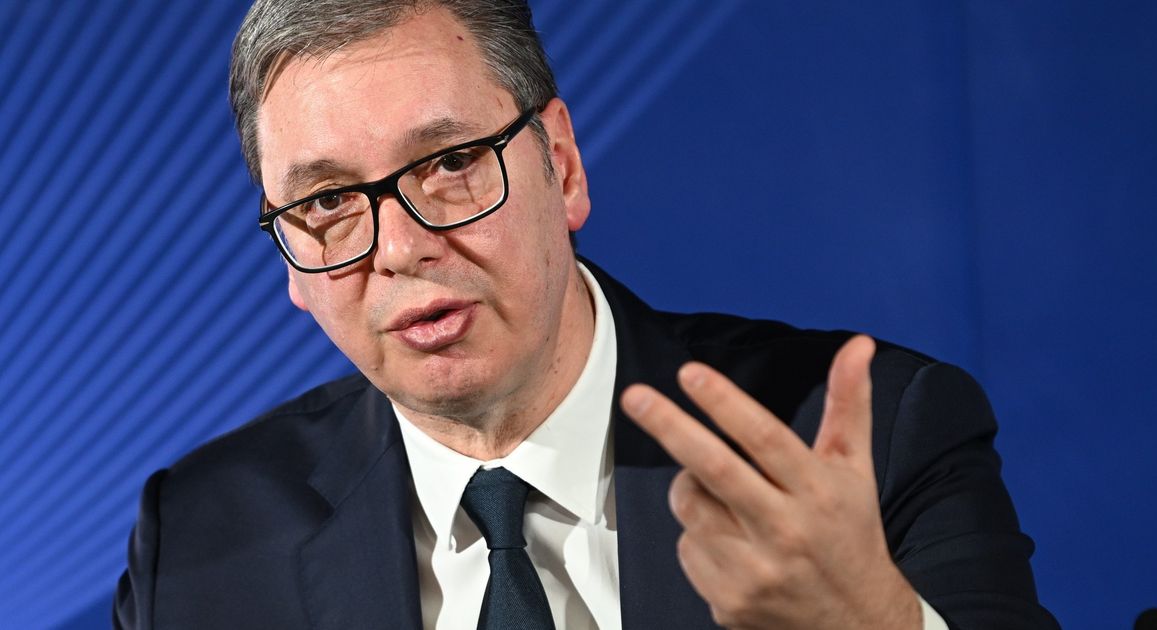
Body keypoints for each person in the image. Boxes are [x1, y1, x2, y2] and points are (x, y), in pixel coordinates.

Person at [114, 0, 1058, 628]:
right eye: (327, 203)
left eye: (450, 164)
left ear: (560, 166)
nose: (399, 246)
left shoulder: (861, 444)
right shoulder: (196, 548)